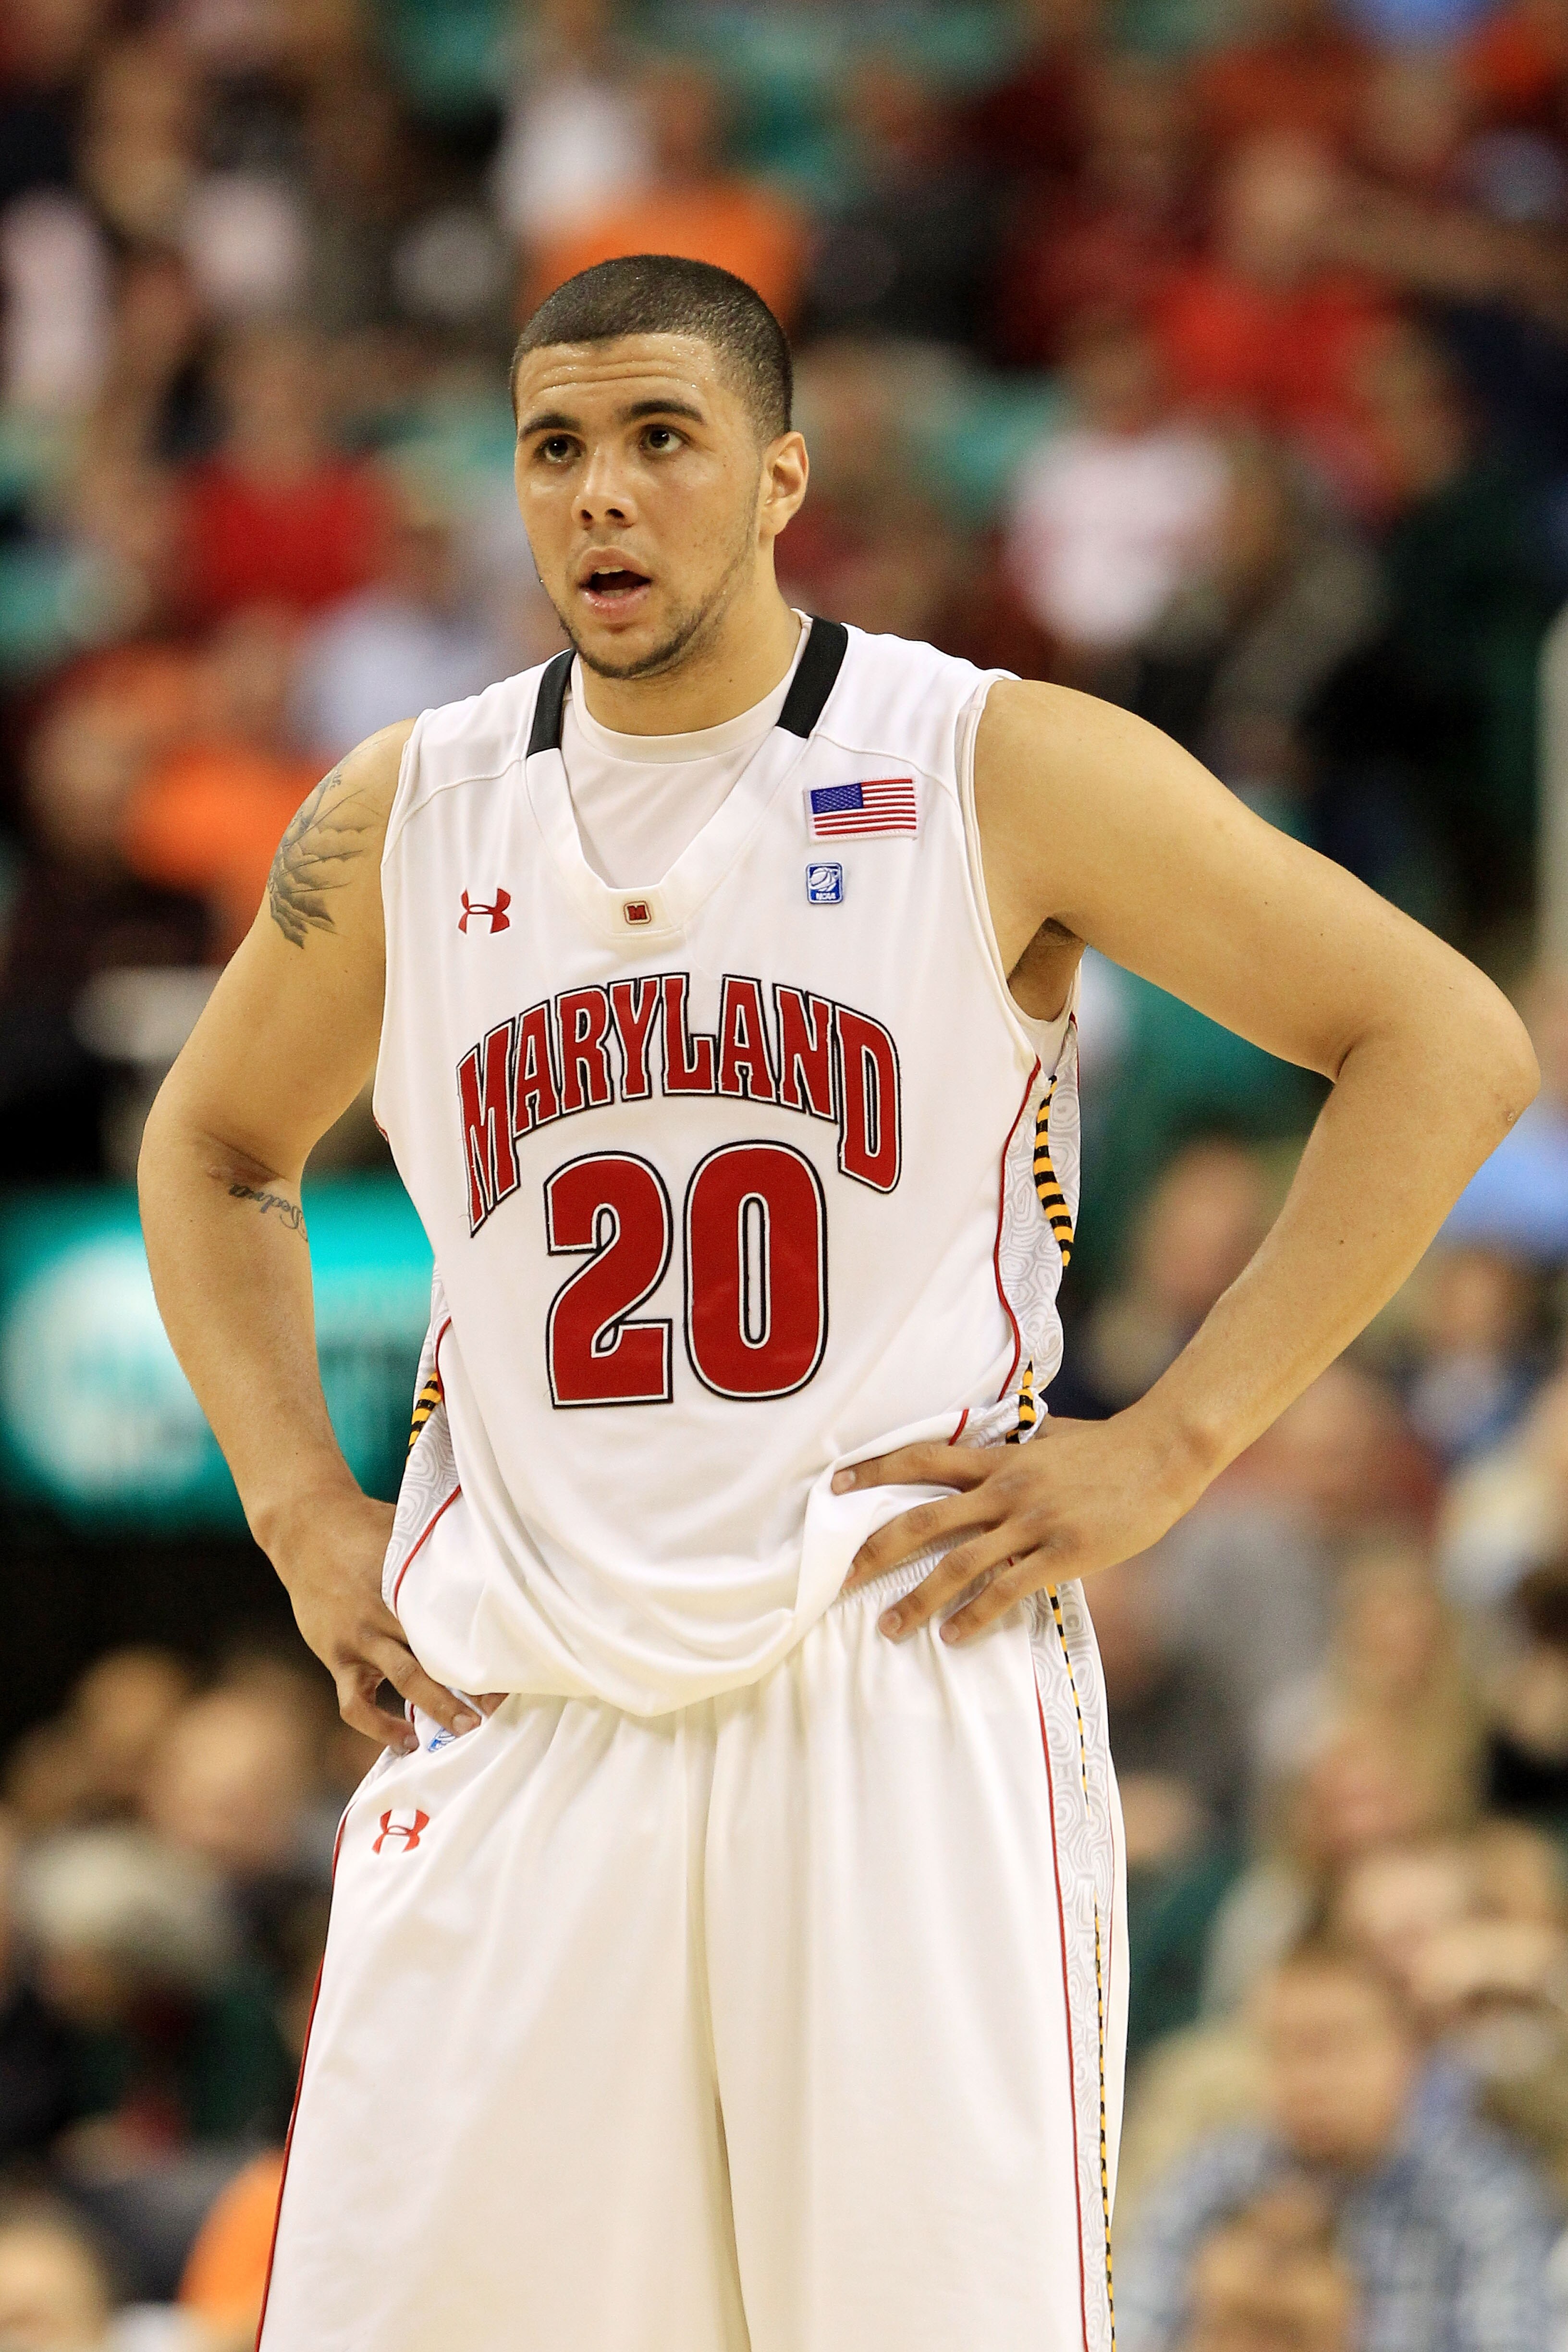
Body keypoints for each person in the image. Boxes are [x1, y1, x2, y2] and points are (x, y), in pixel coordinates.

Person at [136, 253, 1536, 2350]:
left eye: (661, 440)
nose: (602, 496)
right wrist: (295, 1506)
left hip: (892, 1671)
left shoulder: (992, 763)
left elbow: (1443, 1038)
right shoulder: (409, 811)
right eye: (554, 450)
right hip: (523, 1694)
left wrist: (1170, 1444)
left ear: (781, 474)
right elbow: (213, 1146)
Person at [1117, 1937, 1556, 2350]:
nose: (1310, 2080)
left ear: (1408, 2051)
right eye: (1285, 2048)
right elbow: (1127, 2331)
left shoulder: (1481, 2200)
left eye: (1336, 2046)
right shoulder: (1214, 2178)